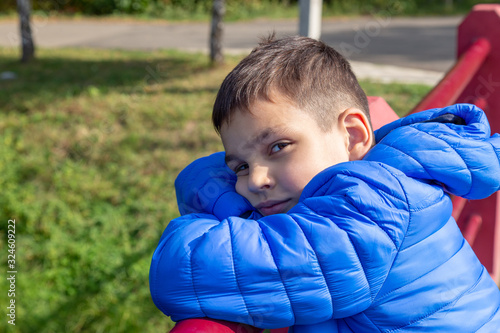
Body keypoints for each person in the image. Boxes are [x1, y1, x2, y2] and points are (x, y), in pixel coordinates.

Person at [149, 35, 500, 332]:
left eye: (278, 147)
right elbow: (208, 177)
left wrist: (188, 233)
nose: (254, 180)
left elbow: (182, 274)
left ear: (352, 135)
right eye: (240, 166)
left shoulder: (377, 203)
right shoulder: (386, 177)